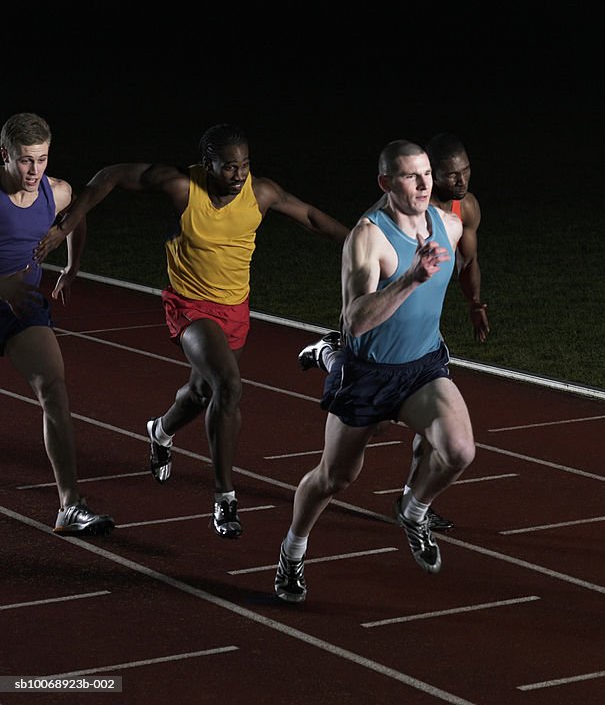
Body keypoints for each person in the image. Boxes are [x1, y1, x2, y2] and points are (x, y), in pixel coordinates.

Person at [35, 124, 350, 539]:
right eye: (229, 167)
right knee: (229, 385)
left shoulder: (261, 193)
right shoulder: (183, 187)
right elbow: (111, 174)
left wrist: (366, 241)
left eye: (245, 165)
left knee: (202, 393)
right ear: (208, 165)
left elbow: (310, 217)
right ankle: (224, 498)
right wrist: (67, 222)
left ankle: (160, 430)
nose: (239, 175)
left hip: (235, 308)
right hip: (189, 305)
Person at [275, 139, 476, 602]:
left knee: (460, 450)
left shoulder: (448, 223)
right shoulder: (368, 237)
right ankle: (293, 549)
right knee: (335, 478)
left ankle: (413, 508)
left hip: (422, 367)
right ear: (386, 183)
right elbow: (354, 319)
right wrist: (411, 278)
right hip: (367, 372)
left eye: (427, 172)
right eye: (411, 175)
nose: (425, 183)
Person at [1, 112, 114, 536]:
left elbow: (78, 213)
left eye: (42, 159)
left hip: (23, 308)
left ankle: (70, 504)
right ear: (5, 155)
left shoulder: (56, 192)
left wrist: (73, 263)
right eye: (26, 161)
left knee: (54, 387)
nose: (35, 171)